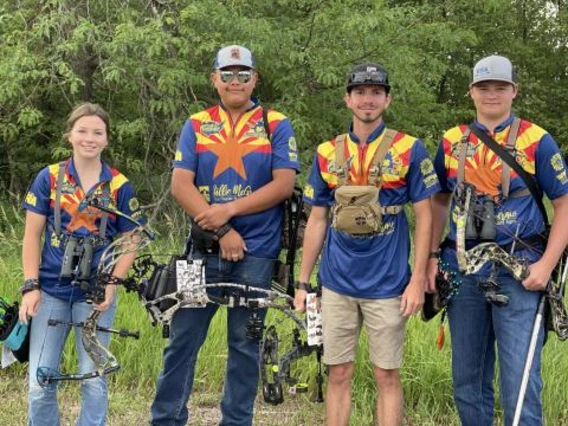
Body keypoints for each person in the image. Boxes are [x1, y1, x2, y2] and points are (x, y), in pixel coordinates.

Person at [150, 45, 299, 426]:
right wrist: (222, 230)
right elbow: (181, 185)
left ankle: (235, 421)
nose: (236, 81)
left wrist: (229, 211)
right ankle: (166, 420)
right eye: (227, 74)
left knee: (245, 347)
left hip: (257, 255)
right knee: (182, 341)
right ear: (214, 79)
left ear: (255, 79)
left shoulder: (275, 123)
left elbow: (284, 185)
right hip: (201, 253)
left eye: (243, 74)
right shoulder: (196, 124)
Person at [294, 62, 440, 426]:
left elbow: (426, 217)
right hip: (337, 282)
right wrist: (303, 282)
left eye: (376, 92)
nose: (368, 100)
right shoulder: (328, 152)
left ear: (387, 99)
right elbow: (316, 219)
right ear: (347, 99)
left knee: (386, 374)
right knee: (338, 372)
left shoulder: (410, 149)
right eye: (360, 92)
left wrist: (417, 279)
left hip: (388, 283)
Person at [428, 55, 568, 426]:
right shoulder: (451, 140)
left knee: (520, 381)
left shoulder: (537, 139)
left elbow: (564, 204)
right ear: (471, 91)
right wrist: (429, 257)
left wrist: (546, 266)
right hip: (464, 270)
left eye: (500, 87)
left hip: (520, 270)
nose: (492, 94)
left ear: (513, 91)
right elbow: (438, 200)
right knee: (467, 380)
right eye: (484, 87)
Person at [19, 102, 143, 426]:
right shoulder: (49, 177)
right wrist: (30, 286)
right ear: (70, 135)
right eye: (82, 130)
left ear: (106, 139)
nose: (90, 138)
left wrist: (113, 284)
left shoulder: (118, 185)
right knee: (40, 379)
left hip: (95, 295)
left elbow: (133, 238)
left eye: (97, 132)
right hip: (51, 291)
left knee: (93, 378)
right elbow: (32, 236)